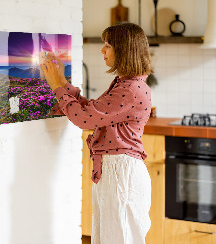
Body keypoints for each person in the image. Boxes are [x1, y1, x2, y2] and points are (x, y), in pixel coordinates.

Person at [41, 22, 153, 244]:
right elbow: (92, 111)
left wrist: (56, 86)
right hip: (116, 171)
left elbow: (84, 119)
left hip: (121, 173)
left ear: (124, 50)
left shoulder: (130, 89)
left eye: (108, 45)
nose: (102, 50)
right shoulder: (126, 84)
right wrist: (62, 81)